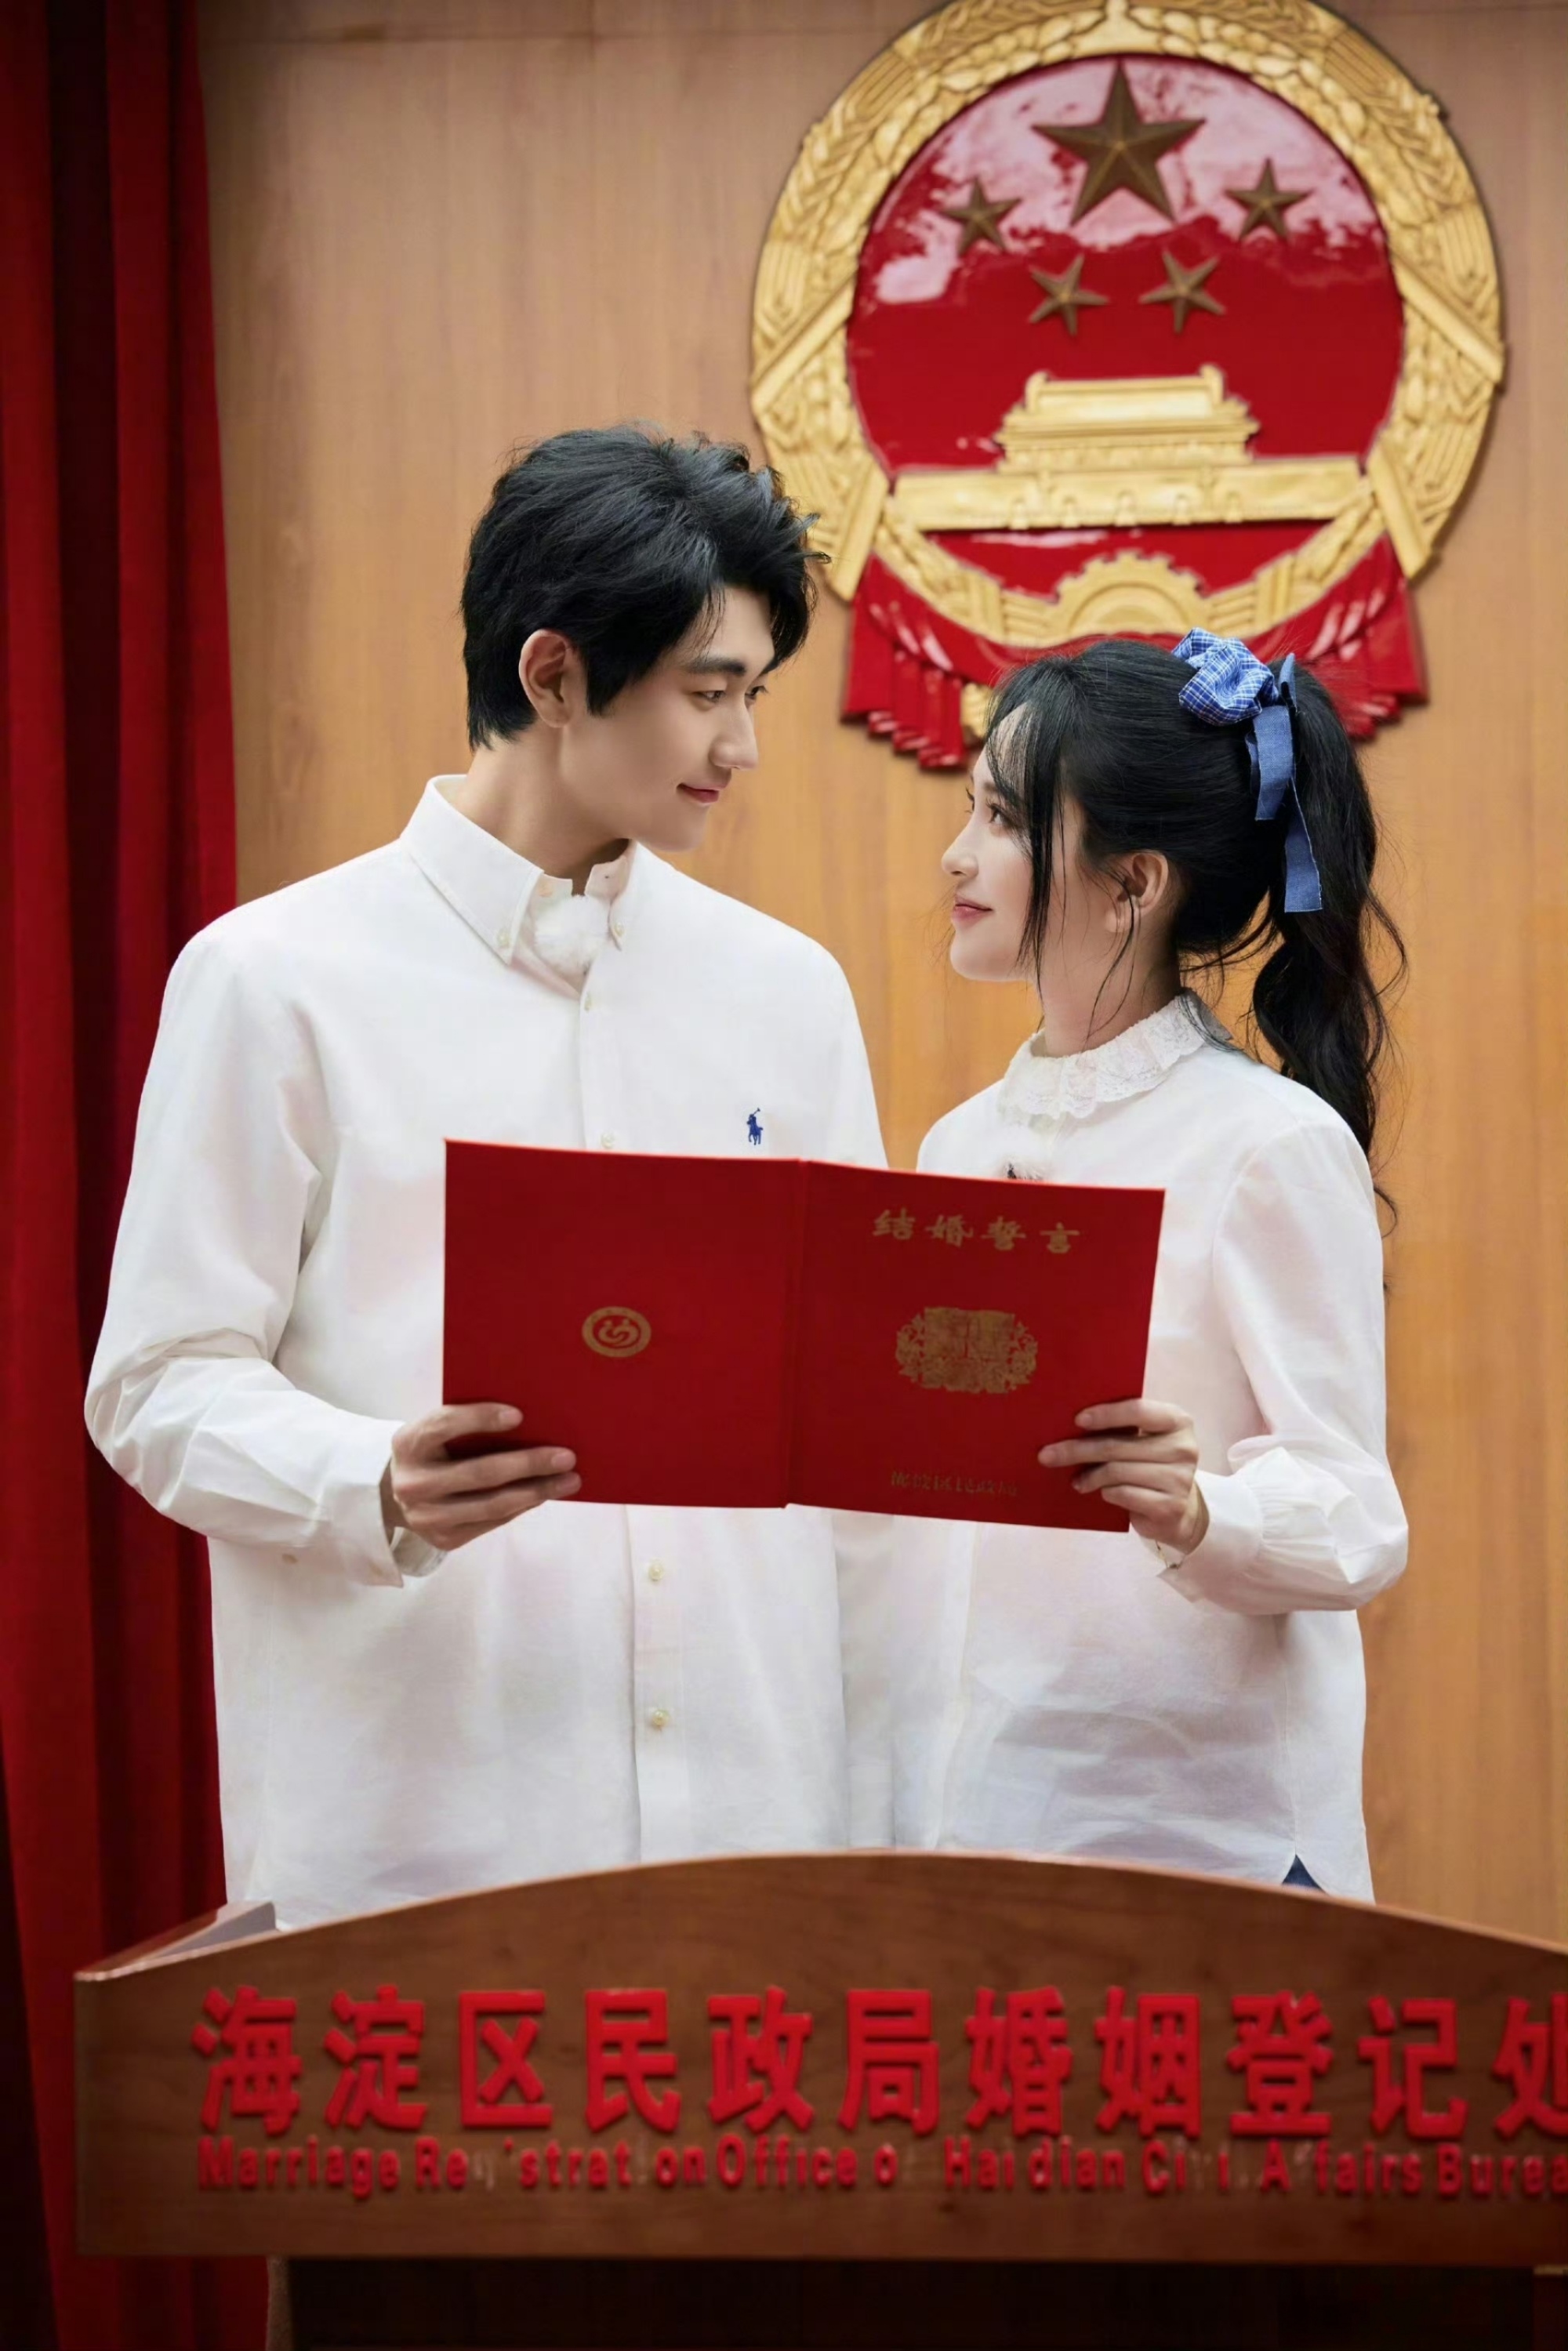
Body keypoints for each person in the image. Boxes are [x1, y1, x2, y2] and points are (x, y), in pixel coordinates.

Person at [87, 426, 887, 1929]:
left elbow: (851, 1415)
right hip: (418, 1827)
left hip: (756, 1817)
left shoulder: (789, 994)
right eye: (708, 691)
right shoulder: (275, 980)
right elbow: (155, 1384)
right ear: (554, 675)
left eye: (756, 695)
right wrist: (372, 1479)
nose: (742, 747)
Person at [892, 630, 1408, 1899]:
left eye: (1003, 820)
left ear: (1131, 884)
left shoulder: (1268, 1144)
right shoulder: (959, 1145)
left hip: (1204, 1846)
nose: (957, 854)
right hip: (980, 1814)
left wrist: (1199, 1509)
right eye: (971, 808)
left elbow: (1356, 1517)